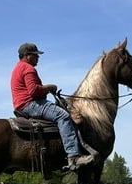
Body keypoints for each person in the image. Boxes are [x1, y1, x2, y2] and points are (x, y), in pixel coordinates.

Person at [11, 42, 94, 170]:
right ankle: (73, 156)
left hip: (21, 105)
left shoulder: (18, 68)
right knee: (63, 116)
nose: (38, 58)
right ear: (27, 56)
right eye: (35, 55)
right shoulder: (28, 68)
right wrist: (50, 87)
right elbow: (33, 91)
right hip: (31, 104)